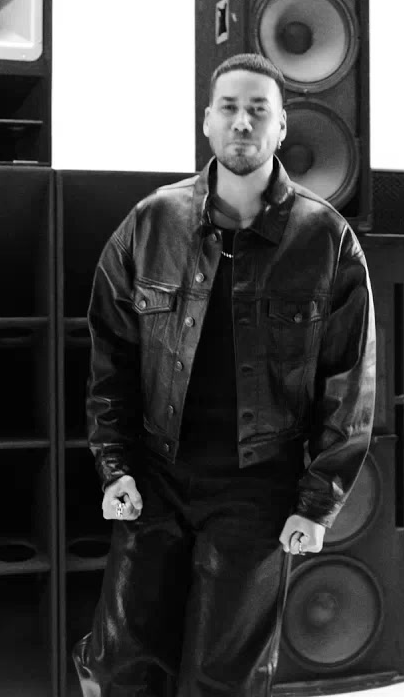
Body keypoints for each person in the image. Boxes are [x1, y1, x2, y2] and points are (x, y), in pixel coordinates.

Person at [71, 52, 376, 697]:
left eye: (258, 110)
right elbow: (110, 360)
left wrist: (317, 503)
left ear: (282, 127)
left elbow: (348, 381)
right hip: (155, 474)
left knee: (225, 678)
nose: (243, 122)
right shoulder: (151, 221)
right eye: (230, 108)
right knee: (122, 665)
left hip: (258, 488)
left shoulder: (327, 238)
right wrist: (114, 466)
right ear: (207, 121)